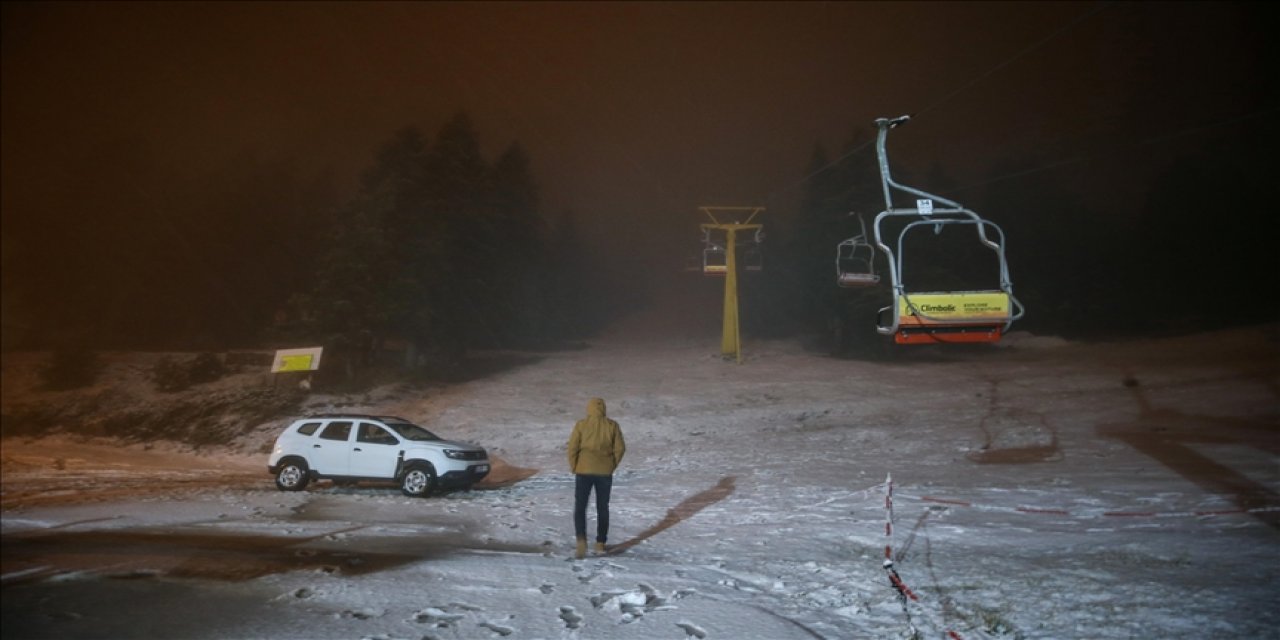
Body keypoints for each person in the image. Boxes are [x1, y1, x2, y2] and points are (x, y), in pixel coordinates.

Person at [567, 397, 626, 559]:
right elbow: (620, 449)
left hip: (583, 471)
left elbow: (572, 448)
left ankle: (581, 540)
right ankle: (600, 542)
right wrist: (611, 465)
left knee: (580, 507)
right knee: (602, 507)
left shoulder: (581, 425)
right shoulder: (612, 426)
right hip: (604, 472)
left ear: (589, 409)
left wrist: (575, 466)